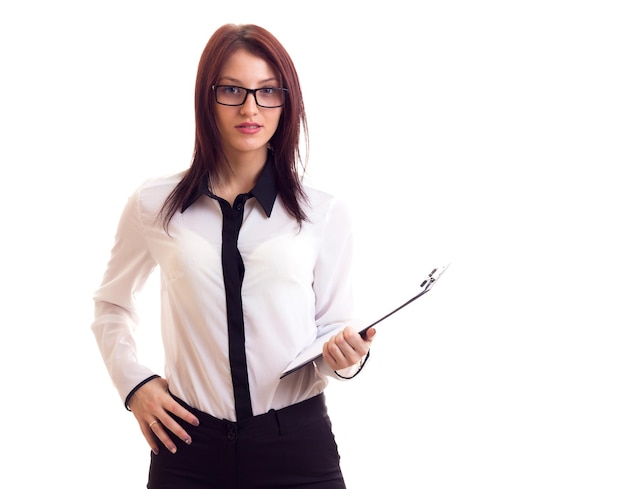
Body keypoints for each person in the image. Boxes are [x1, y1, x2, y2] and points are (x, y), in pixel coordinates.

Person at [91, 23, 376, 489]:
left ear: (287, 101)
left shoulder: (322, 211)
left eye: (267, 92)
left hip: (296, 446)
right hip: (187, 445)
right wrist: (135, 385)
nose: (250, 108)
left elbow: (329, 332)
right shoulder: (153, 204)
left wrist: (345, 356)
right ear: (207, 97)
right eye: (232, 90)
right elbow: (111, 305)